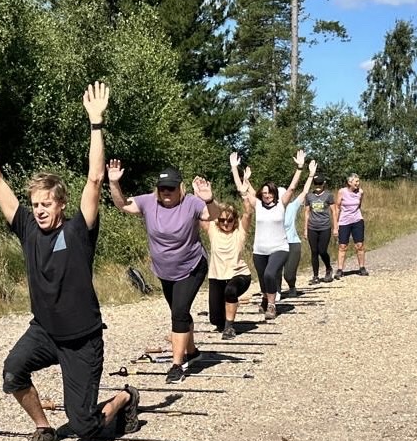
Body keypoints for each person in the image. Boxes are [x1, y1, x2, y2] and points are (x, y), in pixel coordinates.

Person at [0, 82, 138, 441]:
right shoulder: (27, 228)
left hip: (82, 339)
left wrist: (97, 123)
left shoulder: (79, 230)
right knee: (13, 372)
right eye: (35, 204)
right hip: (45, 331)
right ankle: (44, 429)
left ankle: (125, 397)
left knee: (86, 429)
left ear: (61, 204)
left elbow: (94, 179)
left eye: (47, 203)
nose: (40, 209)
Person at [108, 160, 219, 385]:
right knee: (180, 311)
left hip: (192, 266)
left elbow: (213, 215)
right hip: (165, 270)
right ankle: (193, 352)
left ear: (180, 188)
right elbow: (123, 205)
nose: (166, 192)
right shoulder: (149, 202)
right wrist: (113, 183)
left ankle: (177, 366)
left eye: (171, 188)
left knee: (178, 312)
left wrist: (208, 198)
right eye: (162, 188)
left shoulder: (191, 203)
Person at [230, 149, 305, 319]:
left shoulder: (281, 205)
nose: (267, 196)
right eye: (264, 193)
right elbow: (242, 188)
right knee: (263, 279)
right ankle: (265, 297)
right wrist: (235, 168)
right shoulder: (258, 205)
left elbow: (292, 187)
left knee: (270, 273)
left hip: (279, 247)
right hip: (260, 250)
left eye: (269, 193)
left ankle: (272, 305)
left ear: (275, 194)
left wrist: (300, 168)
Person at [205, 202, 253, 341]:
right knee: (215, 319)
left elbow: (248, 213)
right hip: (217, 276)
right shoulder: (213, 230)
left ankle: (229, 327)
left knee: (230, 291)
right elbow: (199, 215)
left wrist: (244, 192)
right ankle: (223, 323)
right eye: (222, 220)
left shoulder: (240, 231)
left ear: (235, 220)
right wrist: (203, 197)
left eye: (230, 220)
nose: (226, 223)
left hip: (239, 274)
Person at [334, 173, 368, 278]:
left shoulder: (360, 192)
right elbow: (337, 208)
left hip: (357, 220)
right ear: (350, 182)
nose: (358, 183)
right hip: (344, 221)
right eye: (356, 181)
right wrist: (336, 225)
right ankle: (340, 269)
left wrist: (357, 215)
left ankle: (362, 267)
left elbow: (359, 205)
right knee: (342, 246)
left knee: (359, 245)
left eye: (358, 181)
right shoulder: (342, 192)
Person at [303, 175, 335, 283]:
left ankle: (328, 268)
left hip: (325, 226)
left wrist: (336, 227)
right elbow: (307, 213)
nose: (318, 186)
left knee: (322, 250)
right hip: (312, 227)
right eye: (316, 184)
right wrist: (305, 229)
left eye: (320, 184)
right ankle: (315, 276)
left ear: (323, 184)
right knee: (314, 251)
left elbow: (334, 211)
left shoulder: (328, 195)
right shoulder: (309, 196)